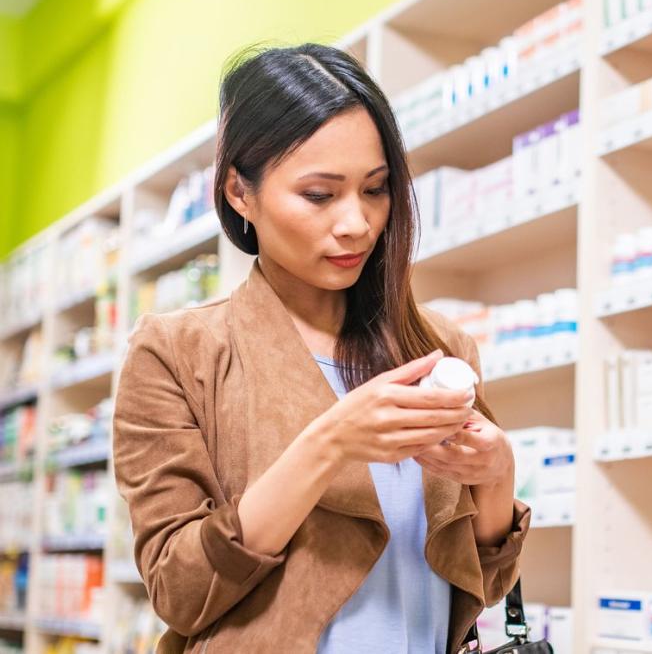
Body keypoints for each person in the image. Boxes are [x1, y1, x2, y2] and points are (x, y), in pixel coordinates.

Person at [112, 43, 529, 654]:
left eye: (376, 189)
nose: (356, 223)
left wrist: (497, 476)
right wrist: (330, 444)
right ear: (238, 192)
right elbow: (179, 590)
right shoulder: (176, 353)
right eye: (319, 195)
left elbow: (483, 586)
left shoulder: (437, 347)